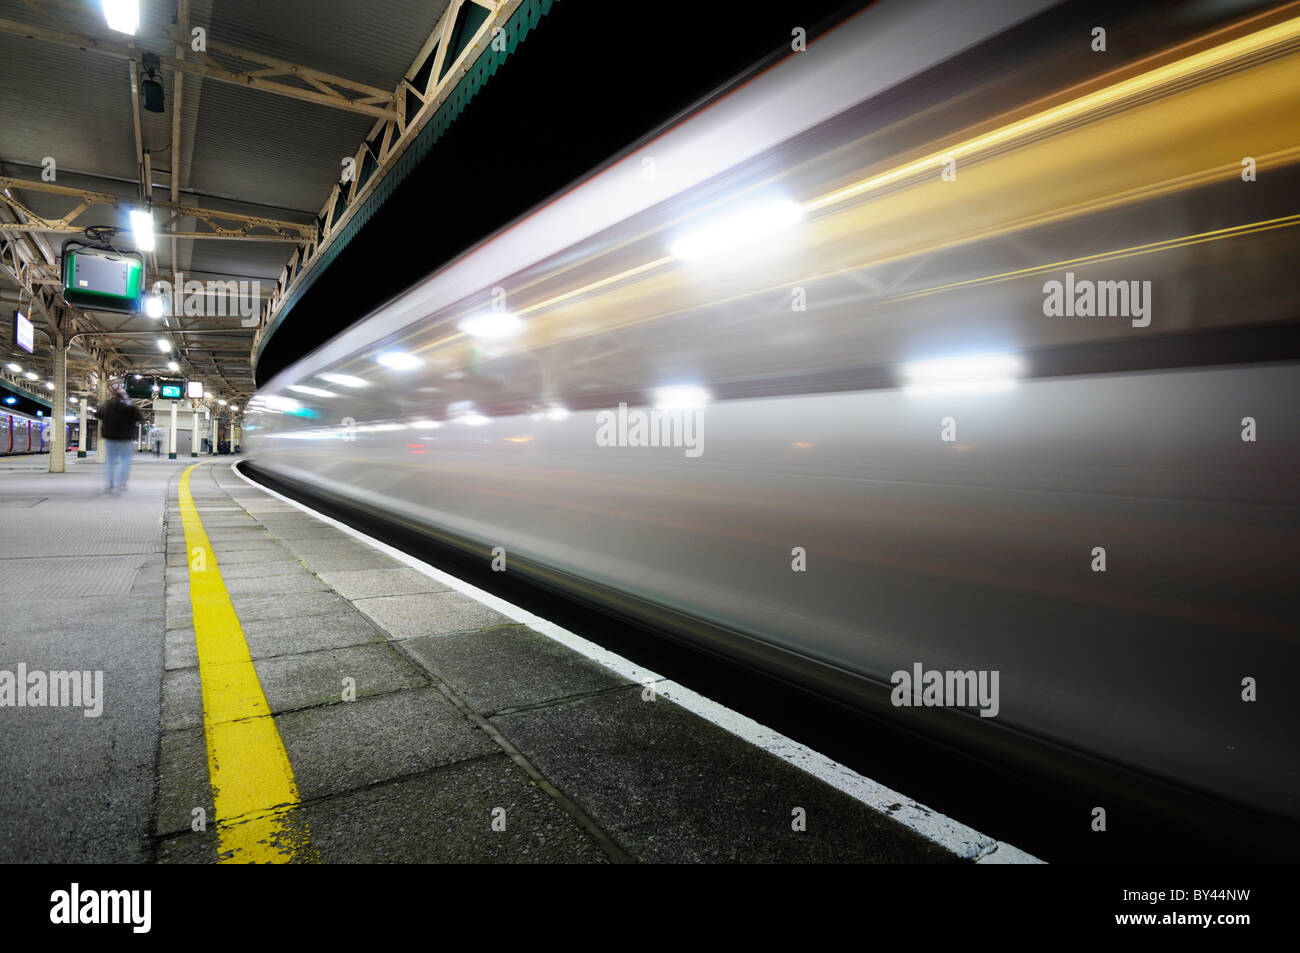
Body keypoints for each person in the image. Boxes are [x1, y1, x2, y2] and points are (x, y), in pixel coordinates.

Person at [99, 386, 144, 492]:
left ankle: (110, 484)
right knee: (125, 460)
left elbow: (98, 414)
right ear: (125, 396)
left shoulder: (107, 405)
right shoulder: (131, 407)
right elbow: (140, 418)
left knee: (110, 461)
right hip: (126, 438)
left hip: (110, 438)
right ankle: (122, 484)